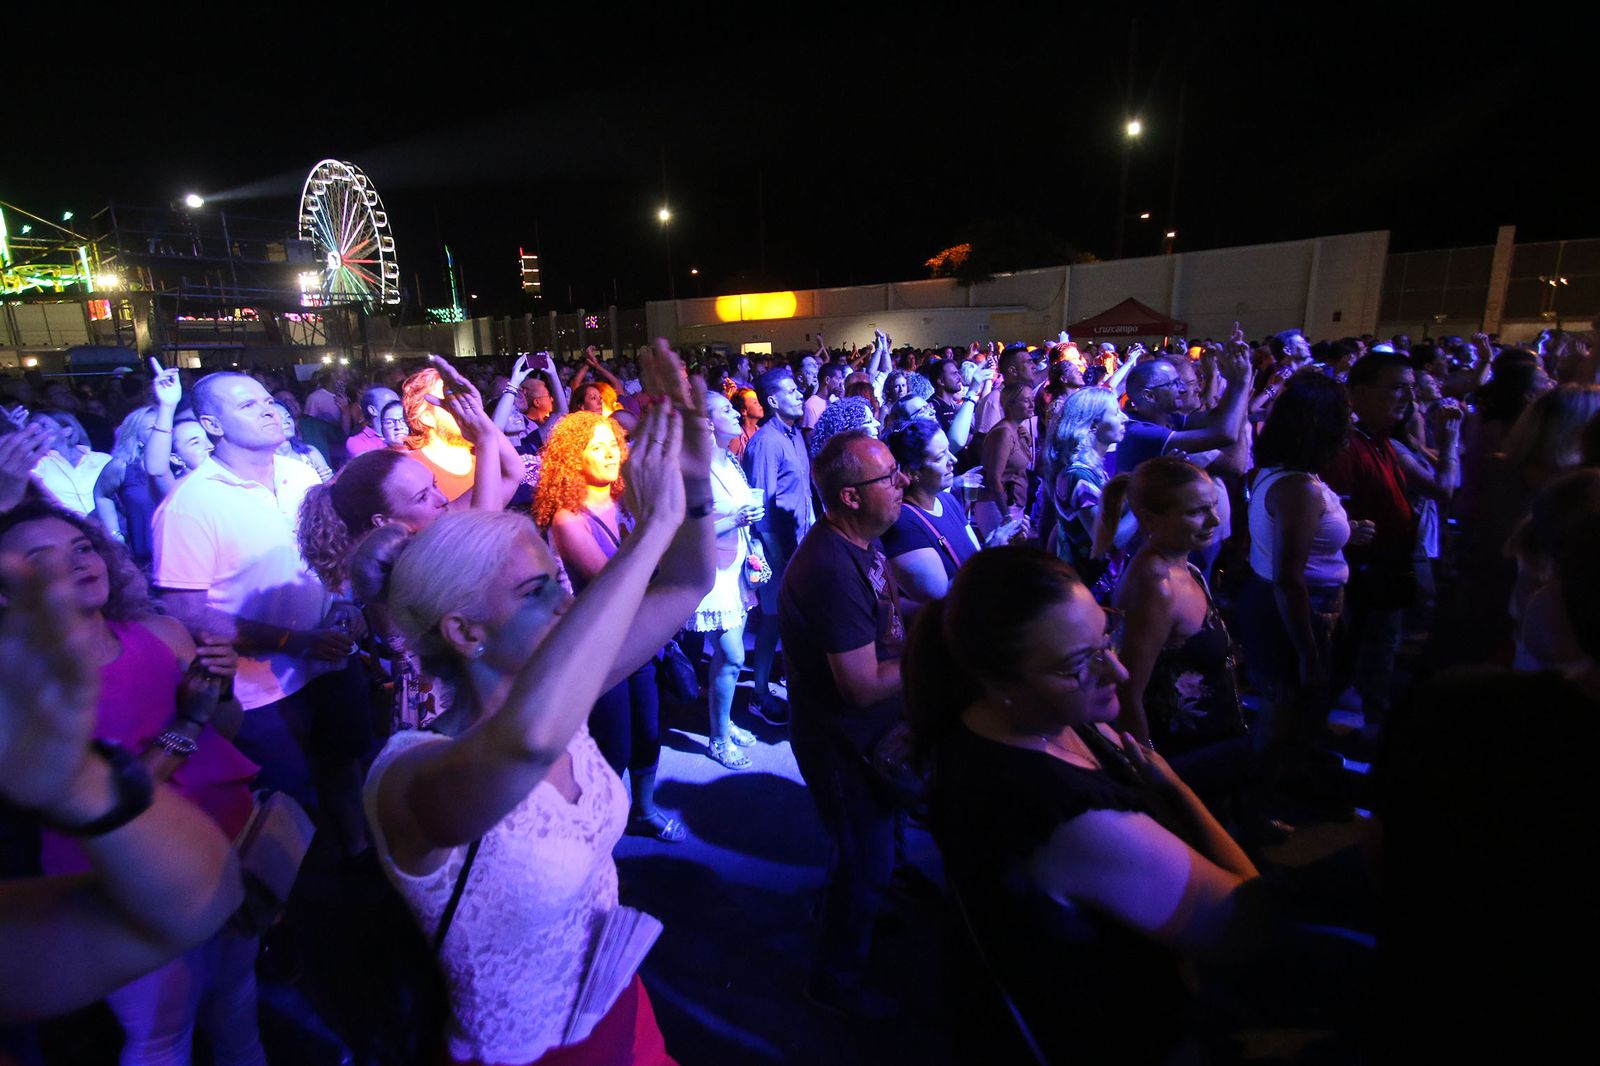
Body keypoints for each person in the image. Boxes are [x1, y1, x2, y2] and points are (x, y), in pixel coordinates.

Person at [358, 342, 711, 1064]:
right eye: (535, 590)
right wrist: (650, 531)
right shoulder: (409, 776)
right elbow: (523, 745)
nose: (566, 599)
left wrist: (694, 484)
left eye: (557, 577)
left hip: (619, 1005)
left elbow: (683, 589)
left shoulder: (555, 700)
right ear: (464, 631)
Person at [906, 546, 1354, 1063]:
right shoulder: (1069, 819)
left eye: (1106, 636)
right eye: (1079, 664)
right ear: (1000, 682)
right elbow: (1243, 925)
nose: (1117, 672)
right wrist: (1179, 792)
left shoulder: (1007, 719)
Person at [0, 503, 265, 1062]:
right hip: (125, 878)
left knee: (237, 1003)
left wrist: (218, 690)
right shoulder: (29, 695)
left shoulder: (162, 632)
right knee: (162, 1036)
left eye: (81, 547)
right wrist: (186, 723)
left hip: (221, 844)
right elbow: (107, 800)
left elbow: (226, 734)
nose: (76, 562)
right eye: (41, 558)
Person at [151, 370, 373, 856]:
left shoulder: (301, 474)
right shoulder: (191, 505)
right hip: (260, 692)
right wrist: (292, 642)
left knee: (348, 769)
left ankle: (361, 863)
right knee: (289, 802)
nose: (270, 409)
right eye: (248, 406)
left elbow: (330, 552)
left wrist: (342, 604)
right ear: (212, 424)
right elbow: (184, 613)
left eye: (268, 399)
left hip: (331, 660)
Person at [778, 430, 911, 1018]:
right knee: (861, 863)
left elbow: (887, 627)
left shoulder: (863, 543)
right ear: (851, 497)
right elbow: (859, 687)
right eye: (889, 477)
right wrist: (935, 650)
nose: (902, 481)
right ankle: (832, 986)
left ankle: (863, 923)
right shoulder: (830, 567)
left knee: (870, 856)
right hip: (842, 747)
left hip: (871, 740)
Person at [535, 411, 684, 842]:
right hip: (600, 650)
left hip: (639, 637)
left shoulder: (626, 500)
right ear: (571, 459)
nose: (611, 453)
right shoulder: (568, 518)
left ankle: (645, 809)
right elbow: (614, 582)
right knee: (611, 744)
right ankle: (598, 829)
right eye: (596, 447)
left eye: (614, 443)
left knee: (649, 731)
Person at [1324, 352, 1460, 731]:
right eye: (1397, 388)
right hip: (1360, 578)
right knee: (1355, 659)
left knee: (1372, 655)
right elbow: (1328, 518)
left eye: (1411, 389)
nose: (1407, 398)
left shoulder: (1382, 441)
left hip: (1383, 572)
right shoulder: (1347, 448)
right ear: (1360, 393)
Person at [1238, 372, 1366, 764]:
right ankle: (1263, 802)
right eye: (1345, 414)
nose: (1352, 422)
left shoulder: (1284, 476)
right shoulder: (1298, 489)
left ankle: (1285, 782)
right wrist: (1309, 651)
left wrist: (1345, 533)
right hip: (1296, 611)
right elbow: (1290, 578)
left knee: (1290, 709)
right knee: (1286, 711)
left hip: (1280, 603)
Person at [1095, 458, 1248, 775]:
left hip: (1212, 749)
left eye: (1212, 506)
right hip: (1184, 762)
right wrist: (1152, 769)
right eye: (1196, 512)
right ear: (1150, 519)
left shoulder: (1184, 565)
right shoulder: (1155, 586)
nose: (1214, 520)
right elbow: (1128, 691)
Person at [688, 393, 764, 769]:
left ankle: (724, 721)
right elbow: (686, 530)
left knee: (726, 661)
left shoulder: (730, 460)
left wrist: (753, 533)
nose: (735, 412)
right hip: (712, 572)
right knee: (733, 655)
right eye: (726, 410)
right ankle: (718, 740)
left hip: (737, 568)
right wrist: (735, 520)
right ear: (705, 422)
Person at [881, 418, 1020, 613]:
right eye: (940, 457)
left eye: (948, 450)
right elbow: (940, 601)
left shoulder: (946, 501)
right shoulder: (903, 524)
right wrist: (990, 553)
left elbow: (974, 556)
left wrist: (1002, 540)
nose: (953, 460)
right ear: (912, 473)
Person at [742, 366, 814, 726]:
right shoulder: (766, 443)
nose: (799, 394)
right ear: (772, 401)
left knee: (789, 620)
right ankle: (758, 694)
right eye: (791, 391)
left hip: (799, 544)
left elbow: (802, 494)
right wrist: (779, 557)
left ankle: (784, 678)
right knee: (771, 621)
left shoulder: (794, 435)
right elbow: (761, 508)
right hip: (778, 550)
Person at [1114, 327, 1253, 476]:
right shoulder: (1139, 432)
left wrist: (1233, 369)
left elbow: (1217, 418)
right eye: (1173, 384)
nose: (1182, 389)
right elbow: (1225, 434)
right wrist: (1239, 382)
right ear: (1149, 395)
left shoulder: (1167, 418)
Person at [400, 362, 524, 505]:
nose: (464, 409)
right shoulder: (411, 471)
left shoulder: (484, 462)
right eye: (452, 403)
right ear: (425, 417)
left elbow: (515, 471)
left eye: (465, 399)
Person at [1043, 386, 1127, 586]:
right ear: (1093, 425)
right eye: (1116, 413)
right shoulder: (1079, 477)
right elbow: (1107, 543)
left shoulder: (1088, 470)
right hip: (1090, 589)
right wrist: (1142, 502)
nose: (1124, 418)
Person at [92, 405, 162, 565]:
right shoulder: (122, 467)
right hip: (146, 559)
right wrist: (115, 536)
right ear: (136, 437)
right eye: (153, 427)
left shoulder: (180, 462)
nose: (162, 431)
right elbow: (101, 495)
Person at [975, 381, 1034, 536]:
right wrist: (1006, 515)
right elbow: (994, 478)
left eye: (1032, 400)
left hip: (1011, 506)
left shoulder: (1018, 431)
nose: (1032, 405)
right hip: (996, 507)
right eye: (1026, 400)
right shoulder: (1003, 434)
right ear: (1010, 404)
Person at [29, 410, 111, 517]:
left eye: (43, 425)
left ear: (67, 431)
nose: (37, 432)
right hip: (71, 527)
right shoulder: (39, 464)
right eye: (34, 428)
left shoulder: (102, 460)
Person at [274, 400, 334, 482]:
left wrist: (326, 479)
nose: (286, 421)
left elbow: (331, 488)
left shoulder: (310, 453)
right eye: (280, 418)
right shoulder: (264, 464)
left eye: (288, 416)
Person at [346, 384, 402, 457]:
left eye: (398, 402)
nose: (397, 406)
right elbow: (373, 466)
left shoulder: (407, 431)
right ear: (372, 410)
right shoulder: (357, 442)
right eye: (390, 403)